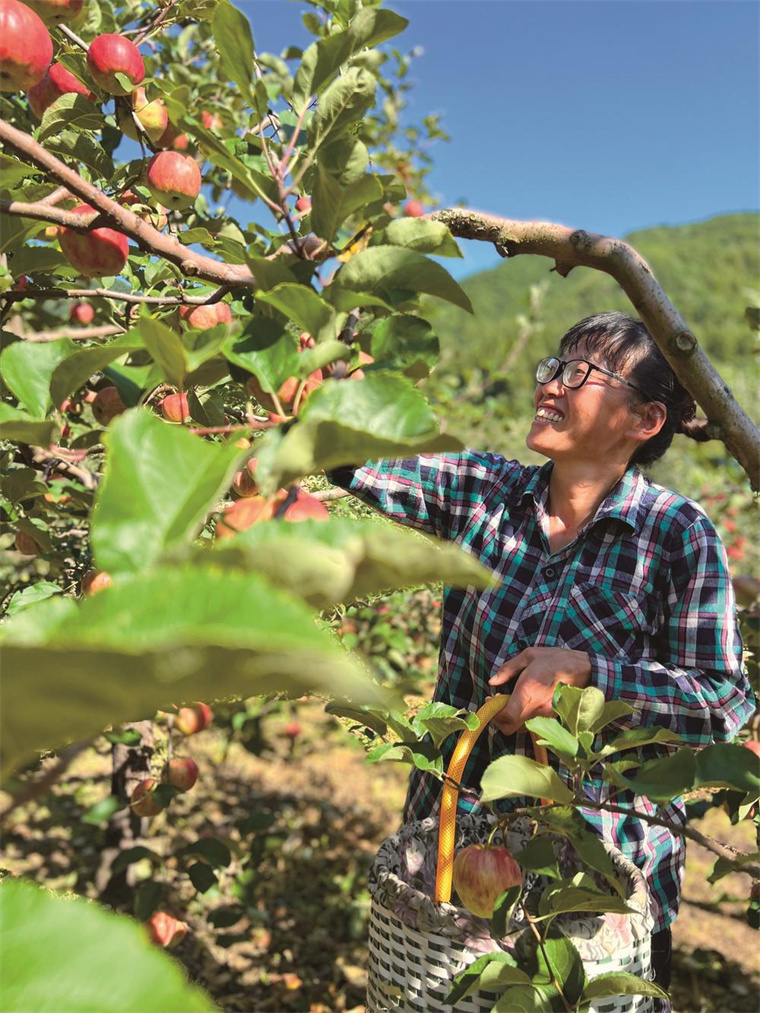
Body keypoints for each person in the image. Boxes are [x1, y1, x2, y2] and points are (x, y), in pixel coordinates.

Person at [330, 311, 755, 990]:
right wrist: (323, 377)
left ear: (644, 420)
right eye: (552, 366)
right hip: (454, 854)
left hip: (599, 883)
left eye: (579, 372)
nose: (550, 385)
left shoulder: (675, 535)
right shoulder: (489, 494)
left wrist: (590, 672)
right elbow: (354, 456)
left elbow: (724, 703)